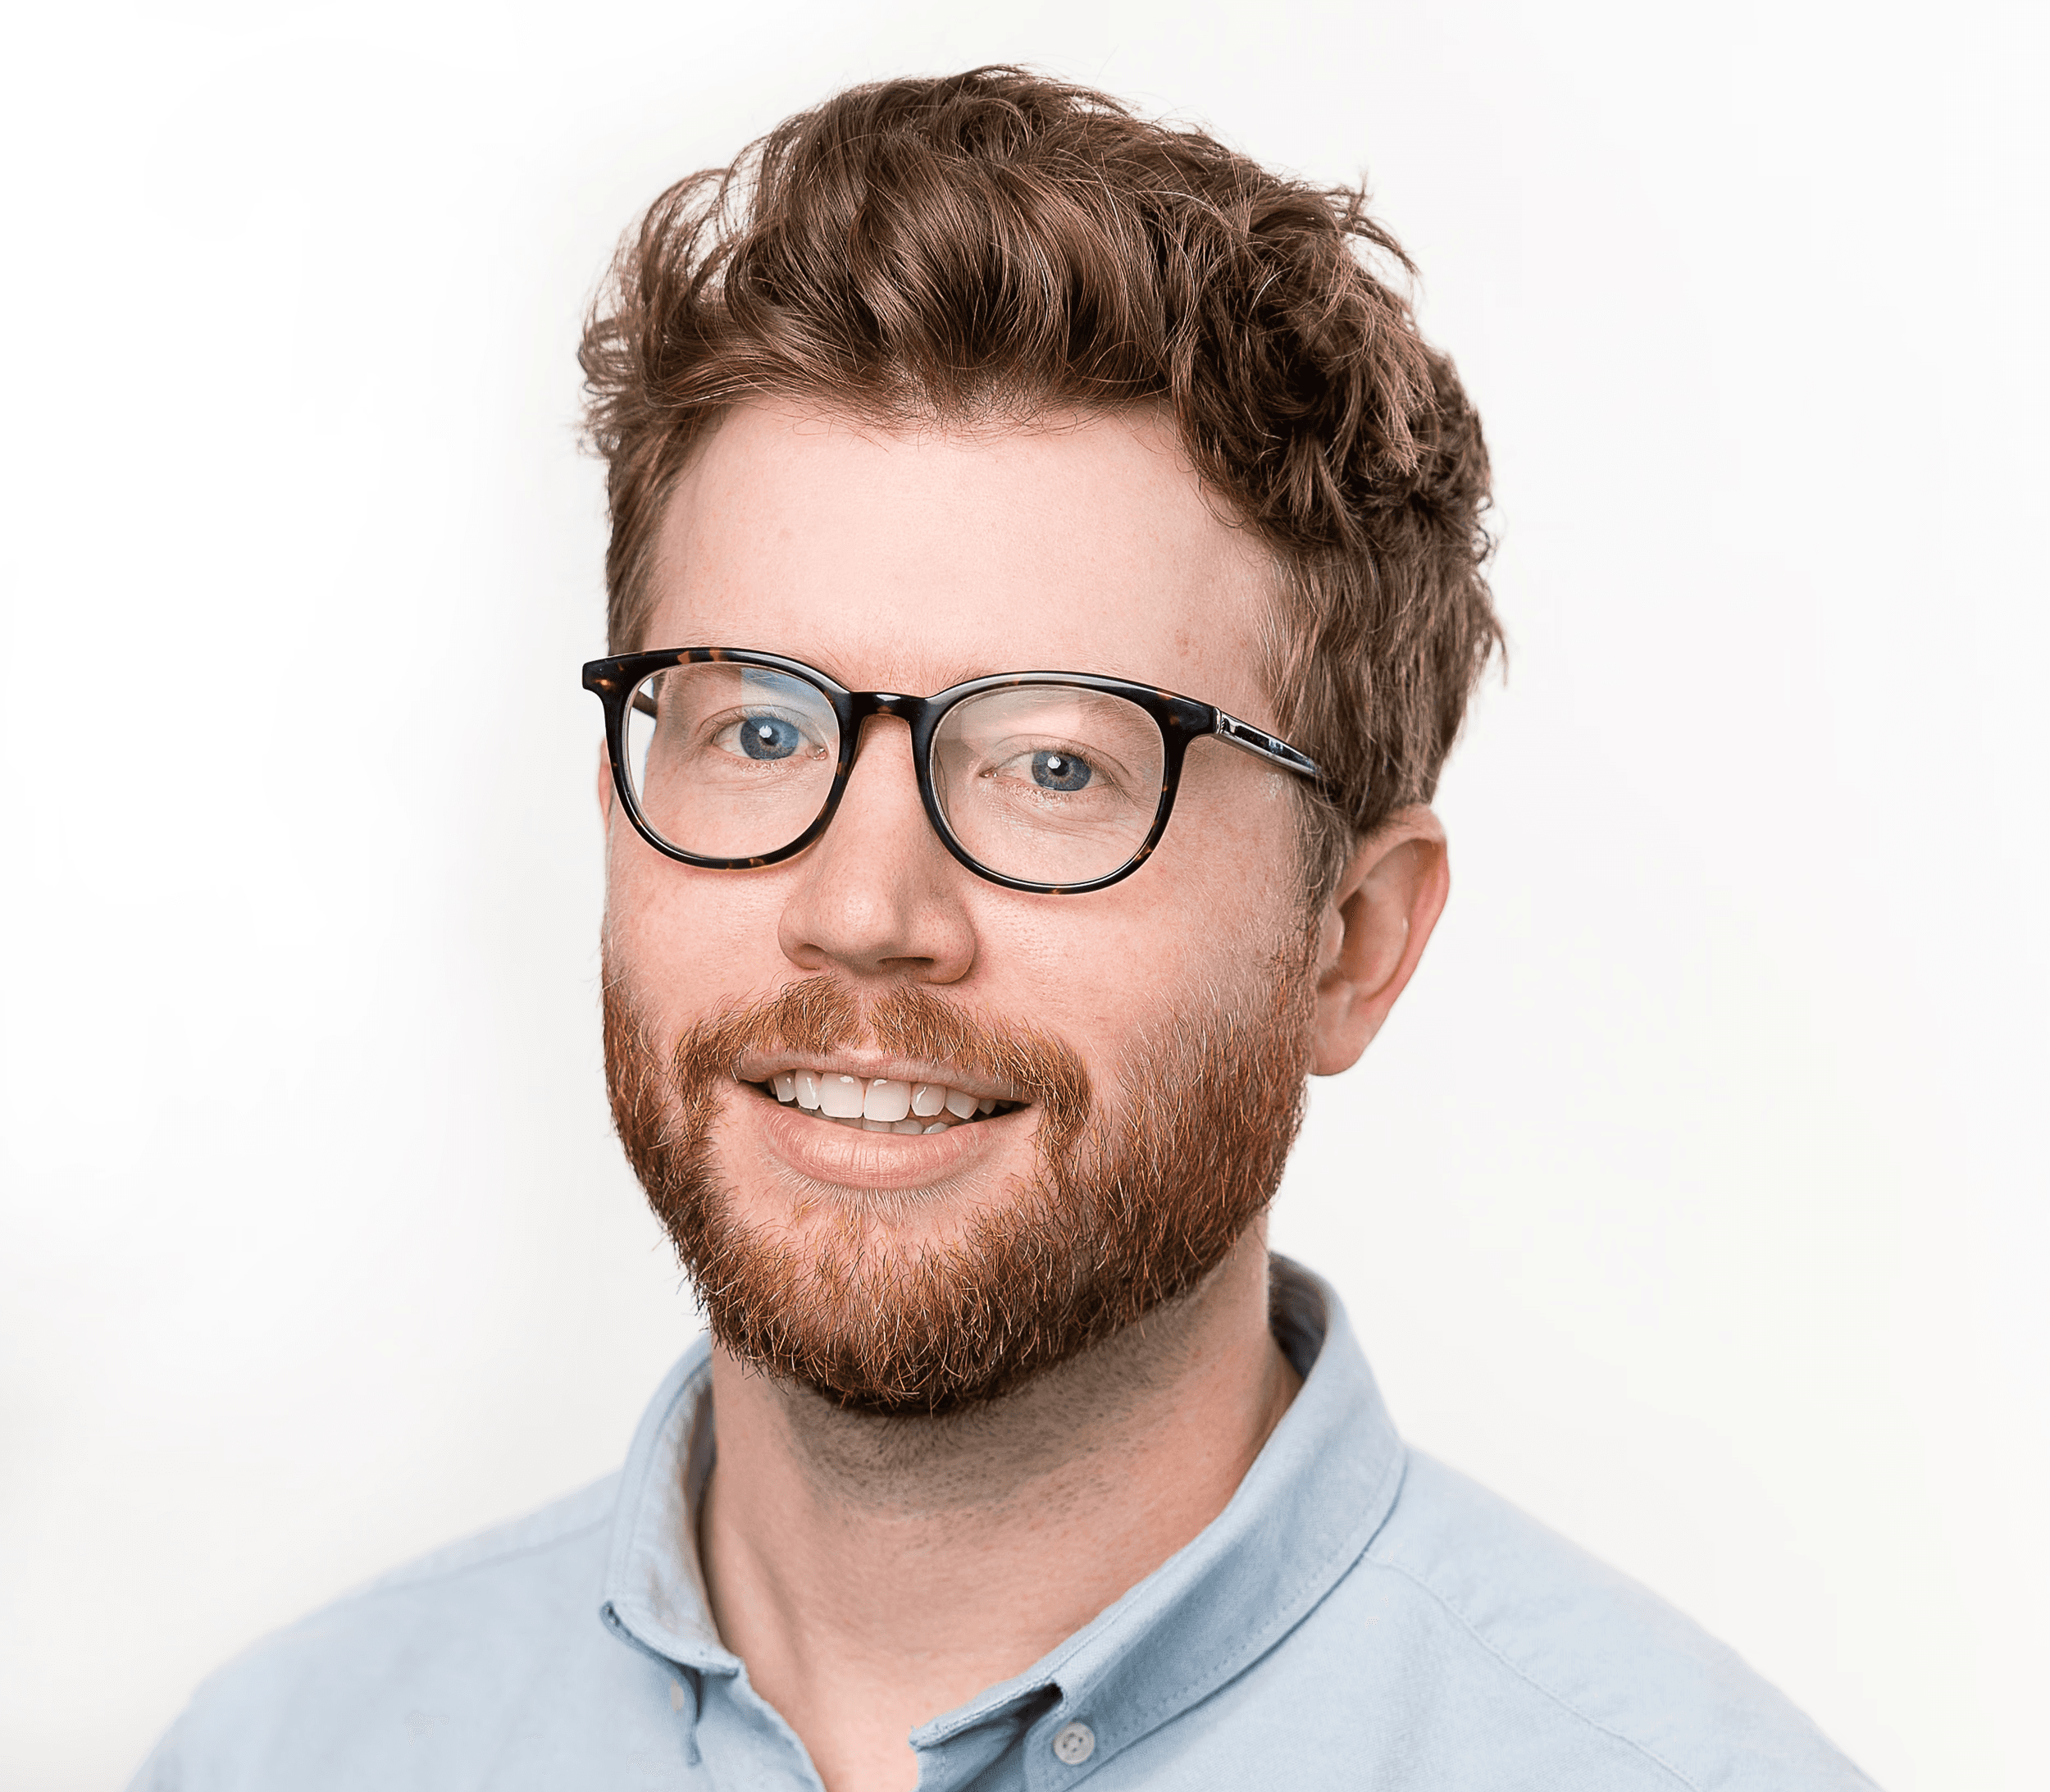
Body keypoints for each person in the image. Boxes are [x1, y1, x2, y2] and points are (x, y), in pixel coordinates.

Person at [131, 66, 1876, 1792]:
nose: (862, 912)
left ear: (1348, 942)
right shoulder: (287, 1753)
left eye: (1054, 767)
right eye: (757, 732)